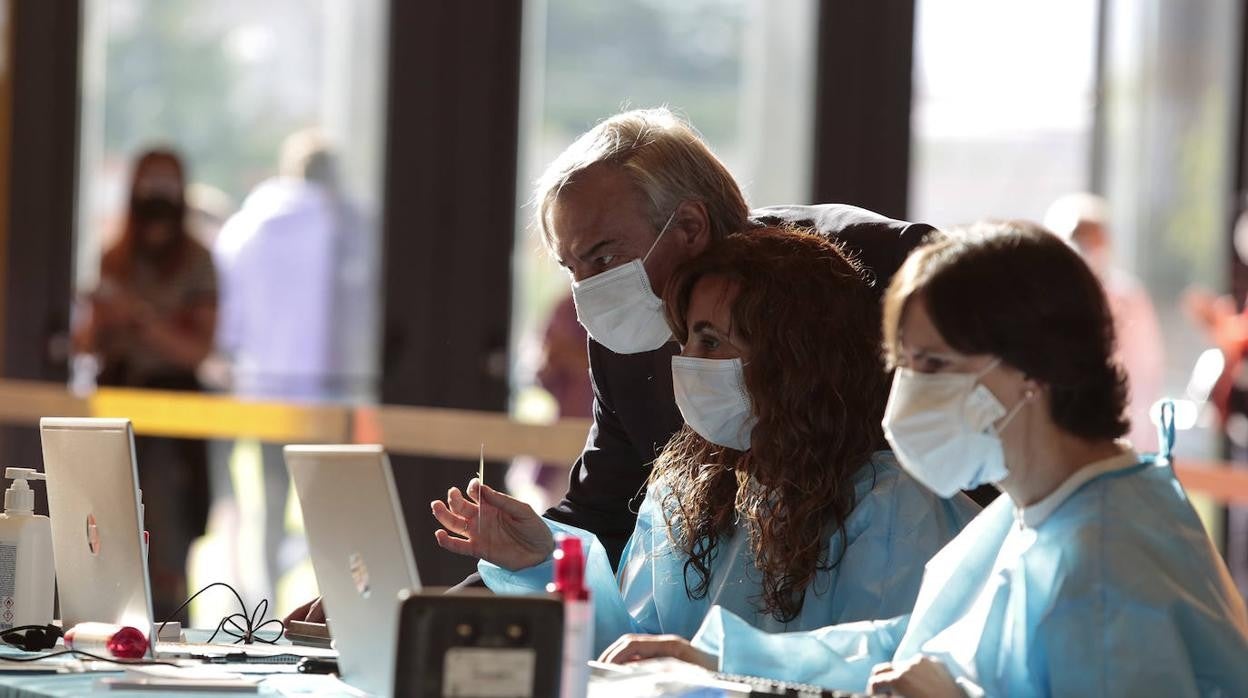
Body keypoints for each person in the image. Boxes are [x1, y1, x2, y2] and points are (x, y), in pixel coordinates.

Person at [284, 107, 959, 625]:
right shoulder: (631, 333)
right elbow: (610, 535)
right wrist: (433, 612)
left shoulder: (882, 278)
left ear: (689, 229)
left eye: (601, 258)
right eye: (572, 269)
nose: (588, 294)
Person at [603, 221, 1248, 697]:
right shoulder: (1035, 513)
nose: (906, 396)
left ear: (1033, 369)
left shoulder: (1108, 558)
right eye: (903, 366)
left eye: (933, 366)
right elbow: (901, 646)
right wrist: (719, 661)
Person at [432, 227, 979, 654]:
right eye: (688, 336)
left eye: (713, 340)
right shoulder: (683, 488)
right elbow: (630, 655)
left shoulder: (889, 508)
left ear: (796, 361)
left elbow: (877, 669)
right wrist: (545, 562)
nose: (688, 363)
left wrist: (718, 663)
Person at [214, 129, 374, 603]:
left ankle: (265, 603)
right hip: (327, 391)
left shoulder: (248, 226)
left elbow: (230, 324)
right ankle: (335, 604)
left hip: (263, 389)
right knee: (329, 508)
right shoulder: (344, 227)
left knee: (271, 499)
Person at [72, 147, 217, 622]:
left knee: (167, 542)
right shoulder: (115, 257)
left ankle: (170, 639)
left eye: (166, 184)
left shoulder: (197, 261)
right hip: (117, 409)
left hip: (172, 416)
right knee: (105, 532)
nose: (156, 195)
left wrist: (143, 319)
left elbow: (197, 349)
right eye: (148, 184)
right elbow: (88, 343)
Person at [1044, 193, 1164, 450]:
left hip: (1121, 428)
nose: (1088, 246)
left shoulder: (1128, 297)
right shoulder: (1047, 299)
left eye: (1095, 238)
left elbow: (1144, 370)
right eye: (1079, 237)